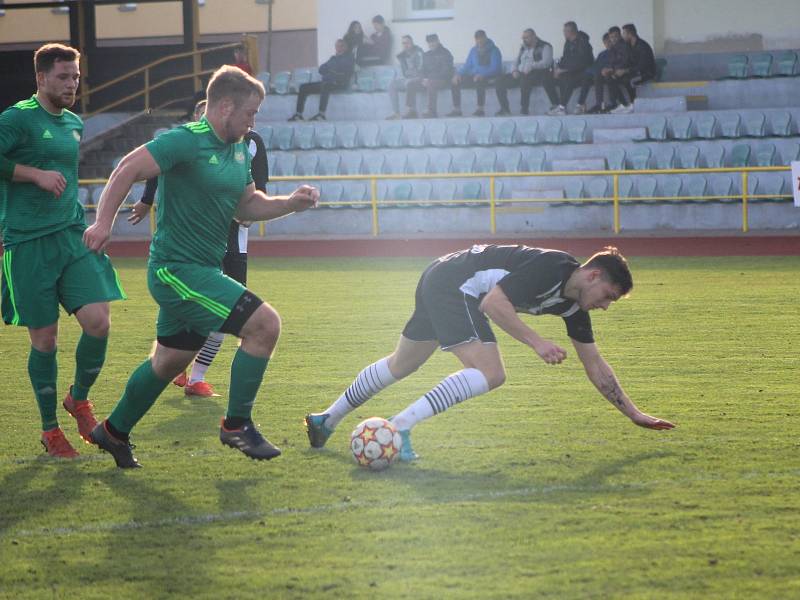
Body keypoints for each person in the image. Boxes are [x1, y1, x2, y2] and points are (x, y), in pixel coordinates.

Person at [83, 65, 319, 468]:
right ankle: (236, 425)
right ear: (225, 106)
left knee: (169, 361)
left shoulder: (237, 149)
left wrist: (289, 204)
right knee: (265, 324)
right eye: (251, 112)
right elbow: (127, 168)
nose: (254, 121)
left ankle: (113, 431)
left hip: (202, 271)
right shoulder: (185, 140)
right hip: (176, 271)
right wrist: (104, 222)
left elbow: (246, 204)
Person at [305, 245, 675, 461]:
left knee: (402, 363)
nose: (606, 306)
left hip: (440, 275)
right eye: (609, 296)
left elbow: (595, 365)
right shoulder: (552, 267)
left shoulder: (574, 306)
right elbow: (494, 303)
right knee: (491, 372)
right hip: (454, 285)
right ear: (593, 276)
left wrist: (634, 414)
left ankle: (326, 419)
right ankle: (398, 428)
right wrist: (537, 342)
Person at [0, 43, 126, 458]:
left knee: (99, 321)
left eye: (75, 77)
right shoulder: (17, 119)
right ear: (40, 78)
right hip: (27, 243)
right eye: (63, 77)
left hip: (72, 236)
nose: (72, 84)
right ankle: (50, 429)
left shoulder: (74, 122)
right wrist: (32, 174)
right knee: (46, 340)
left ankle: (79, 398)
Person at [129, 98, 269, 398]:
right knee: (190, 307)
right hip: (190, 245)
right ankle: (178, 365)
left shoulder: (250, 143)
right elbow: (152, 169)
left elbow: (259, 188)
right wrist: (146, 200)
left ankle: (195, 376)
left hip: (233, 240)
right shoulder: (185, 141)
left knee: (225, 310)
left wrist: (255, 211)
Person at [289, 39, 355, 122]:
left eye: (341, 46)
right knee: (303, 87)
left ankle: (321, 114)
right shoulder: (333, 58)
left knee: (325, 85)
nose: (339, 48)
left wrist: (331, 69)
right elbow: (321, 69)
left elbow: (343, 70)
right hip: (328, 82)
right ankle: (298, 114)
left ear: (345, 47)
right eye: (337, 46)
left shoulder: (348, 58)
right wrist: (332, 69)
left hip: (339, 83)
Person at [495, 29, 553, 116]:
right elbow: (516, 61)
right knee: (499, 80)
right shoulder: (523, 47)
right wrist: (514, 70)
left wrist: (532, 66)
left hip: (537, 73)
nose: (523, 40)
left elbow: (546, 62)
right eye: (523, 38)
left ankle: (524, 109)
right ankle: (505, 109)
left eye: (526, 38)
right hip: (521, 73)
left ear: (533, 36)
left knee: (525, 80)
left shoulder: (545, 46)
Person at [543, 21, 594, 115]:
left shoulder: (583, 42)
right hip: (571, 71)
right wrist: (557, 68)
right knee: (547, 78)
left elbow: (582, 62)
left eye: (565, 31)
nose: (563, 33)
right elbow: (565, 58)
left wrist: (563, 70)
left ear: (570, 31)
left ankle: (565, 107)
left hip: (584, 72)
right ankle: (557, 105)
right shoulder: (568, 43)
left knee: (569, 79)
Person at [449, 30, 503, 117]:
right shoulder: (473, 50)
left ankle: (480, 109)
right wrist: (458, 74)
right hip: (474, 75)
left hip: (489, 76)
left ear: (485, 37)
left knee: (479, 81)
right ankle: (457, 109)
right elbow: (467, 65)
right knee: (455, 82)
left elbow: (496, 68)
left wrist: (482, 74)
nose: (479, 41)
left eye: (481, 38)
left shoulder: (494, 50)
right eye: (477, 39)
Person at [403, 34, 454, 119]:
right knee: (411, 84)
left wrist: (429, 79)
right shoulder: (427, 54)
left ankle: (432, 111)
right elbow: (422, 70)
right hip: (428, 80)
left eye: (433, 42)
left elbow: (446, 71)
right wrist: (423, 79)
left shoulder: (446, 53)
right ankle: (411, 110)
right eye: (429, 42)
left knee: (431, 83)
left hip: (443, 80)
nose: (431, 44)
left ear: (437, 41)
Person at [608, 23, 656, 114]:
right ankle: (623, 105)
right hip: (635, 71)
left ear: (630, 34)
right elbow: (629, 62)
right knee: (613, 78)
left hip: (646, 73)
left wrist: (625, 71)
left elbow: (642, 66)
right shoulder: (629, 45)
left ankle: (634, 104)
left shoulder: (642, 46)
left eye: (624, 34)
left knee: (629, 80)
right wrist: (618, 71)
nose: (622, 36)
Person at [593, 26, 632, 113]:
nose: (613, 39)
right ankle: (599, 104)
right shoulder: (614, 47)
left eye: (615, 36)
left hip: (626, 71)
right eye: (611, 37)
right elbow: (612, 61)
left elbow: (625, 62)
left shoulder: (624, 46)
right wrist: (607, 68)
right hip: (615, 70)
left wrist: (611, 69)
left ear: (620, 36)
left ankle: (620, 103)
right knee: (598, 75)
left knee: (610, 77)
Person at [386, 35, 424, 120]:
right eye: (403, 43)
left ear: (412, 43)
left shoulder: (419, 53)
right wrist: (409, 74)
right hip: (408, 78)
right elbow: (405, 73)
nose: (405, 45)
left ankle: (411, 111)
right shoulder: (402, 55)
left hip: (419, 78)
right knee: (392, 84)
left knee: (409, 83)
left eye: (407, 43)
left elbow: (421, 69)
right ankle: (396, 113)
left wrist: (412, 73)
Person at [577, 32, 612, 114]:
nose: (607, 44)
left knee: (597, 75)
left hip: (608, 74)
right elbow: (595, 65)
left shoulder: (615, 52)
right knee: (587, 76)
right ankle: (580, 103)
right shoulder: (602, 54)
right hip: (597, 74)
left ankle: (599, 104)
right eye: (605, 42)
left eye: (609, 41)